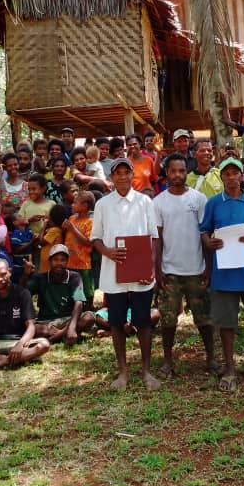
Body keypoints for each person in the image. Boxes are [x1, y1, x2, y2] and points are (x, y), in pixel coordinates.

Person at [200, 157, 244, 392]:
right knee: (226, 322)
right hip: (224, 270)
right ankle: (230, 367)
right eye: (226, 173)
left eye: (235, 173)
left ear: (242, 176)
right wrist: (208, 242)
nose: (231, 177)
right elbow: (204, 231)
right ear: (221, 177)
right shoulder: (213, 203)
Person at [90, 157, 161, 391]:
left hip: (140, 274)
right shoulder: (102, 205)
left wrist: (150, 268)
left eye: (126, 172)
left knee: (143, 323)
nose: (122, 176)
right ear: (111, 178)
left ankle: (146, 371)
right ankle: (123, 372)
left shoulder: (144, 202)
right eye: (117, 173)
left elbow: (153, 237)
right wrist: (107, 252)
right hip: (113, 274)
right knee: (117, 323)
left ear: (133, 175)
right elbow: (96, 239)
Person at [152, 154, 217, 378]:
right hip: (170, 272)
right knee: (168, 320)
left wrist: (208, 268)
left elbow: (205, 234)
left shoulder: (199, 199)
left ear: (185, 172)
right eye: (173, 171)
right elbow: (157, 239)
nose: (177, 175)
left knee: (205, 318)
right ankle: (168, 361)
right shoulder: (158, 202)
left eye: (181, 171)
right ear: (167, 173)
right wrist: (157, 269)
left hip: (197, 270)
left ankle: (211, 358)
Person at [29, 244, 95, 345]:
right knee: (34, 328)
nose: (59, 263)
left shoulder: (74, 277)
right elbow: (24, 293)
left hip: (68, 319)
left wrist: (72, 326)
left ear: (67, 261)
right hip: (47, 322)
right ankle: (64, 335)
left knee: (89, 317)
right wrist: (25, 275)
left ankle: (55, 338)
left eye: (62, 260)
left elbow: (79, 302)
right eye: (55, 260)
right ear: (50, 261)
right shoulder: (40, 278)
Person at [62, 190, 96, 304]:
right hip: (70, 261)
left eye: (75, 203)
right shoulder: (72, 218)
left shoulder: (90, 222)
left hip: (83, 262)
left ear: (85, 206)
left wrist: (73, 229)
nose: (72, 205)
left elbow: (88, 242)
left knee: (87, 290)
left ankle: (89, 310)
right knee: (72, 289)